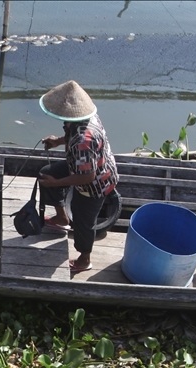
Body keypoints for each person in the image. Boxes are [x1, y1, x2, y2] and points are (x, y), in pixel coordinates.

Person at [36, 81, 119, 274]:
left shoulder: (84, 140)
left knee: (83, 220)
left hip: (96, 180)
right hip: (82, 164)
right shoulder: (81, 119)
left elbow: (87, 177)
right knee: (46, 173)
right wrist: (58, 140)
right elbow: (74, 135)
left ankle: (84, 259)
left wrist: (58, 183)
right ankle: (61, 218)